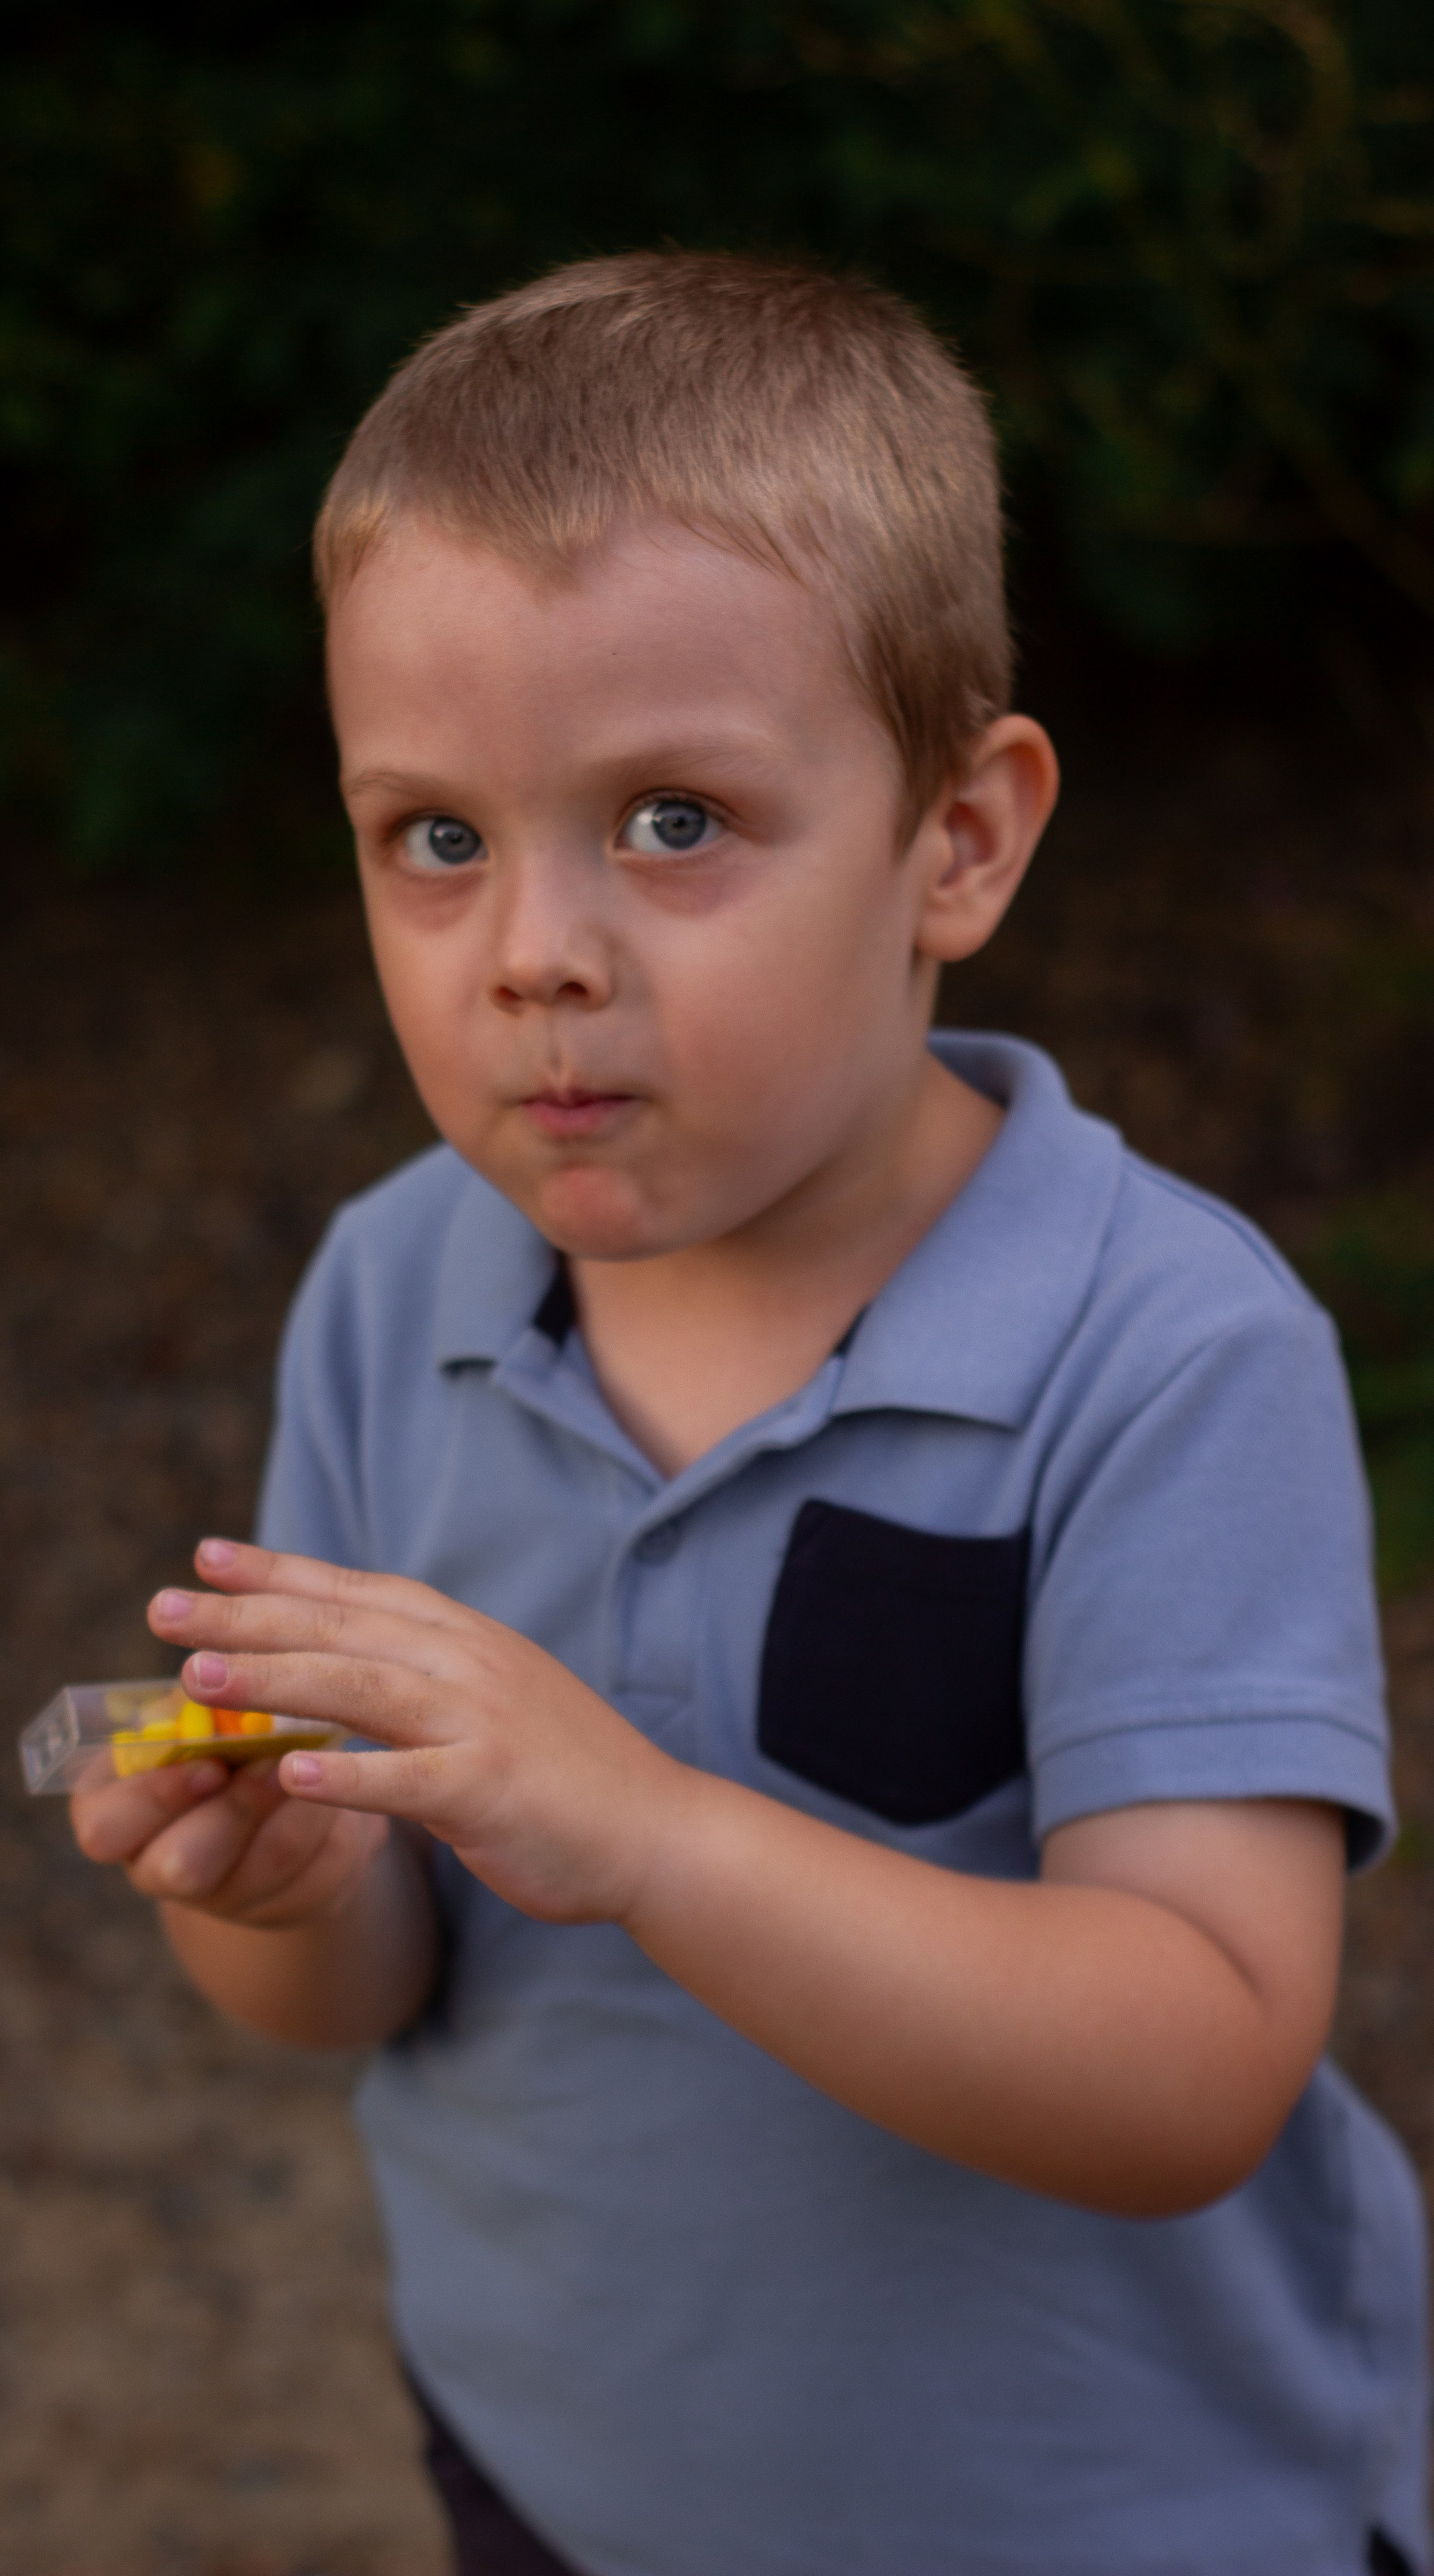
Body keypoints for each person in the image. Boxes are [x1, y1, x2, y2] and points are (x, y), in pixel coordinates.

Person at [70, 254, 1429, 2575]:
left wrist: (650, 1832)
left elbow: (1200, 2056)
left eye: (676, 820)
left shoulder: (1164, 1353)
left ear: (960, 844)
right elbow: (343, 2001)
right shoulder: (396, 1289)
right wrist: (287, 1883)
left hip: (1116, 2524)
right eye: (437, 837)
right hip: (556, 2476)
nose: (538, 953)